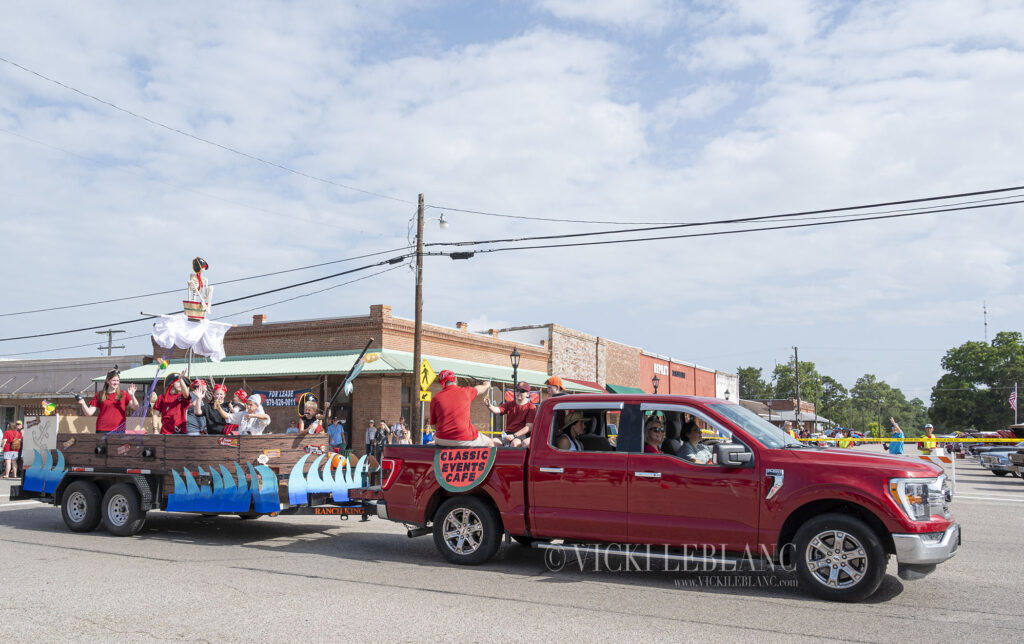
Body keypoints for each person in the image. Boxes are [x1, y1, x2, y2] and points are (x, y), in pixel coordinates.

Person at [430, 370, 501, 447]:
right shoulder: (465, 392)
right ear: (455, 379)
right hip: (464, 438)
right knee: (492, 443)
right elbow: (479, 389)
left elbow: (433, 425)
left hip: (441, 439)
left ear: (441, 382)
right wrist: (486, 385)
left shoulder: (435, 399)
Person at [76, 369, 139, 433]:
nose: (116, 382)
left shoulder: (124, 394)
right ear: (107, 381)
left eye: (117, 380)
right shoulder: (99, 394)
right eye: (114, 380)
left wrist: (132, 395)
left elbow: (136, 407)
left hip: (119, 430)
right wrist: (83, 403)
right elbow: (89, 413)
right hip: (102, 429)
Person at [484, 381, 536, 447]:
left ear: (528, 394)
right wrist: (489, 405)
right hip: (508, 433)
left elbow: (529, 427)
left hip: (521, 435)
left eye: (522, 391)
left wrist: (514, 436)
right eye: (517, 390)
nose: (518, 393)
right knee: (491, 443)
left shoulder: (531, 407)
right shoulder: (510, 404)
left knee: (515, 443)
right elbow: (496, 410)